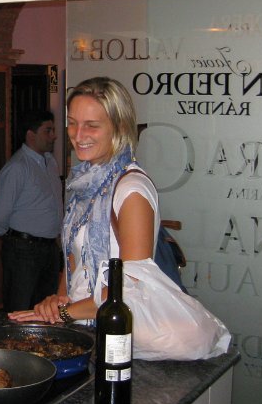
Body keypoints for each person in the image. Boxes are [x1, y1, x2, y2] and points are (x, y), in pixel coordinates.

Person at [9, 77, 159, 325]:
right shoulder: (86, 181)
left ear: (119, 127)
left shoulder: (131, 189)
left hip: (115, 330)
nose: (78, 135)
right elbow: (74, 262)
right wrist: (57, 302)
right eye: (72, 123)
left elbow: (132, 286)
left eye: (91, 125)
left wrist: (64, 313)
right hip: (81, 326)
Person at [0, 110, 63, 312]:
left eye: (53, 130)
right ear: (31, 135)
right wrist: (14, 240)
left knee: (47, 310)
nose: (54, 136)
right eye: (48, 131)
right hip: (23, 250)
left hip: (50, 248)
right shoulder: (17, 167)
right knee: (19, 309)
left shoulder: (50, 162)